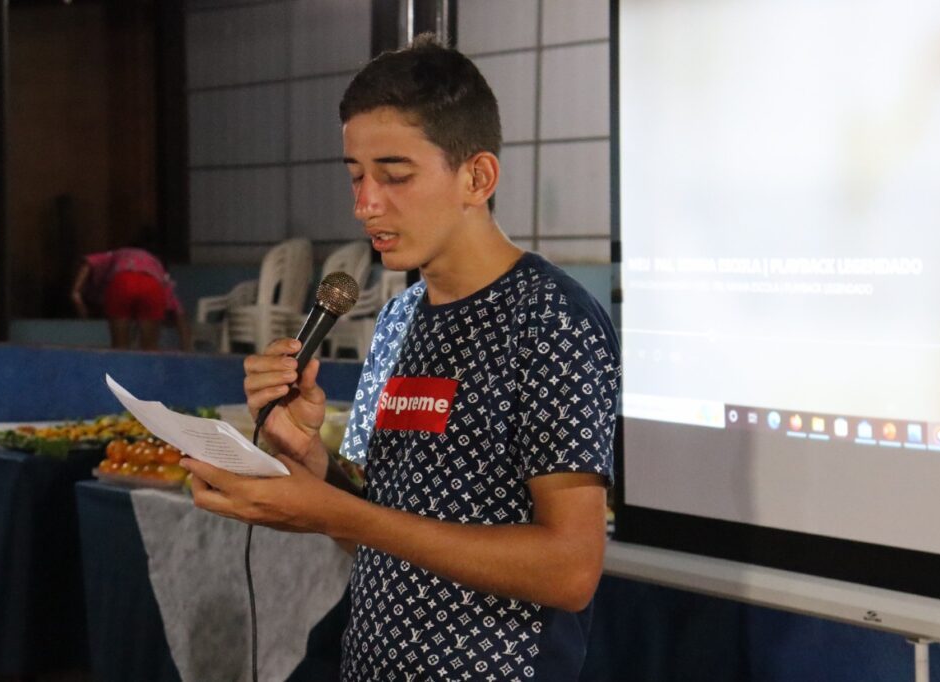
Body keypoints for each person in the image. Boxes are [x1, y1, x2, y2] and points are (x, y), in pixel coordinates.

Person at [183, 34, 621, 681]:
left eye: (394, 176)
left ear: (477, 177)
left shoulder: (551, 317)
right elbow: (372, 525)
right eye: (356, 176)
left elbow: (570, 570)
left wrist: (339, 511)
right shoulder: (396, 319)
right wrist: (309, 461)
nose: (365, 204)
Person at [70, 247, 192, 351]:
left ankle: (120, 369)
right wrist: (187, 350)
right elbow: (179, 314)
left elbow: (89, 263)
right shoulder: (158, 268)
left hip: (122, 282)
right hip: (152, 285)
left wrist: (76, 291)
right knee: (150, 350)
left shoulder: (114, 254)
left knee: (119, 349)